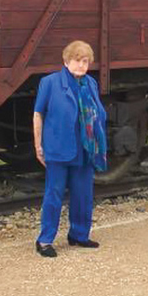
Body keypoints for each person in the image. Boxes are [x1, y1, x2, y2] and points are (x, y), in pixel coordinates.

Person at [33, 40, 108, 257]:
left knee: (84, 194)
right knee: (54, 194)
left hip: (85, 149)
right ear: (66, 61)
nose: (81, 65)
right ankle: (45, 240)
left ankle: (79, 235)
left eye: (85, 61)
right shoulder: (49, 83)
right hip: (58, 149)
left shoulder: (91, 84)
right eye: (77, 60)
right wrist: (38, 145)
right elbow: (38, 114)